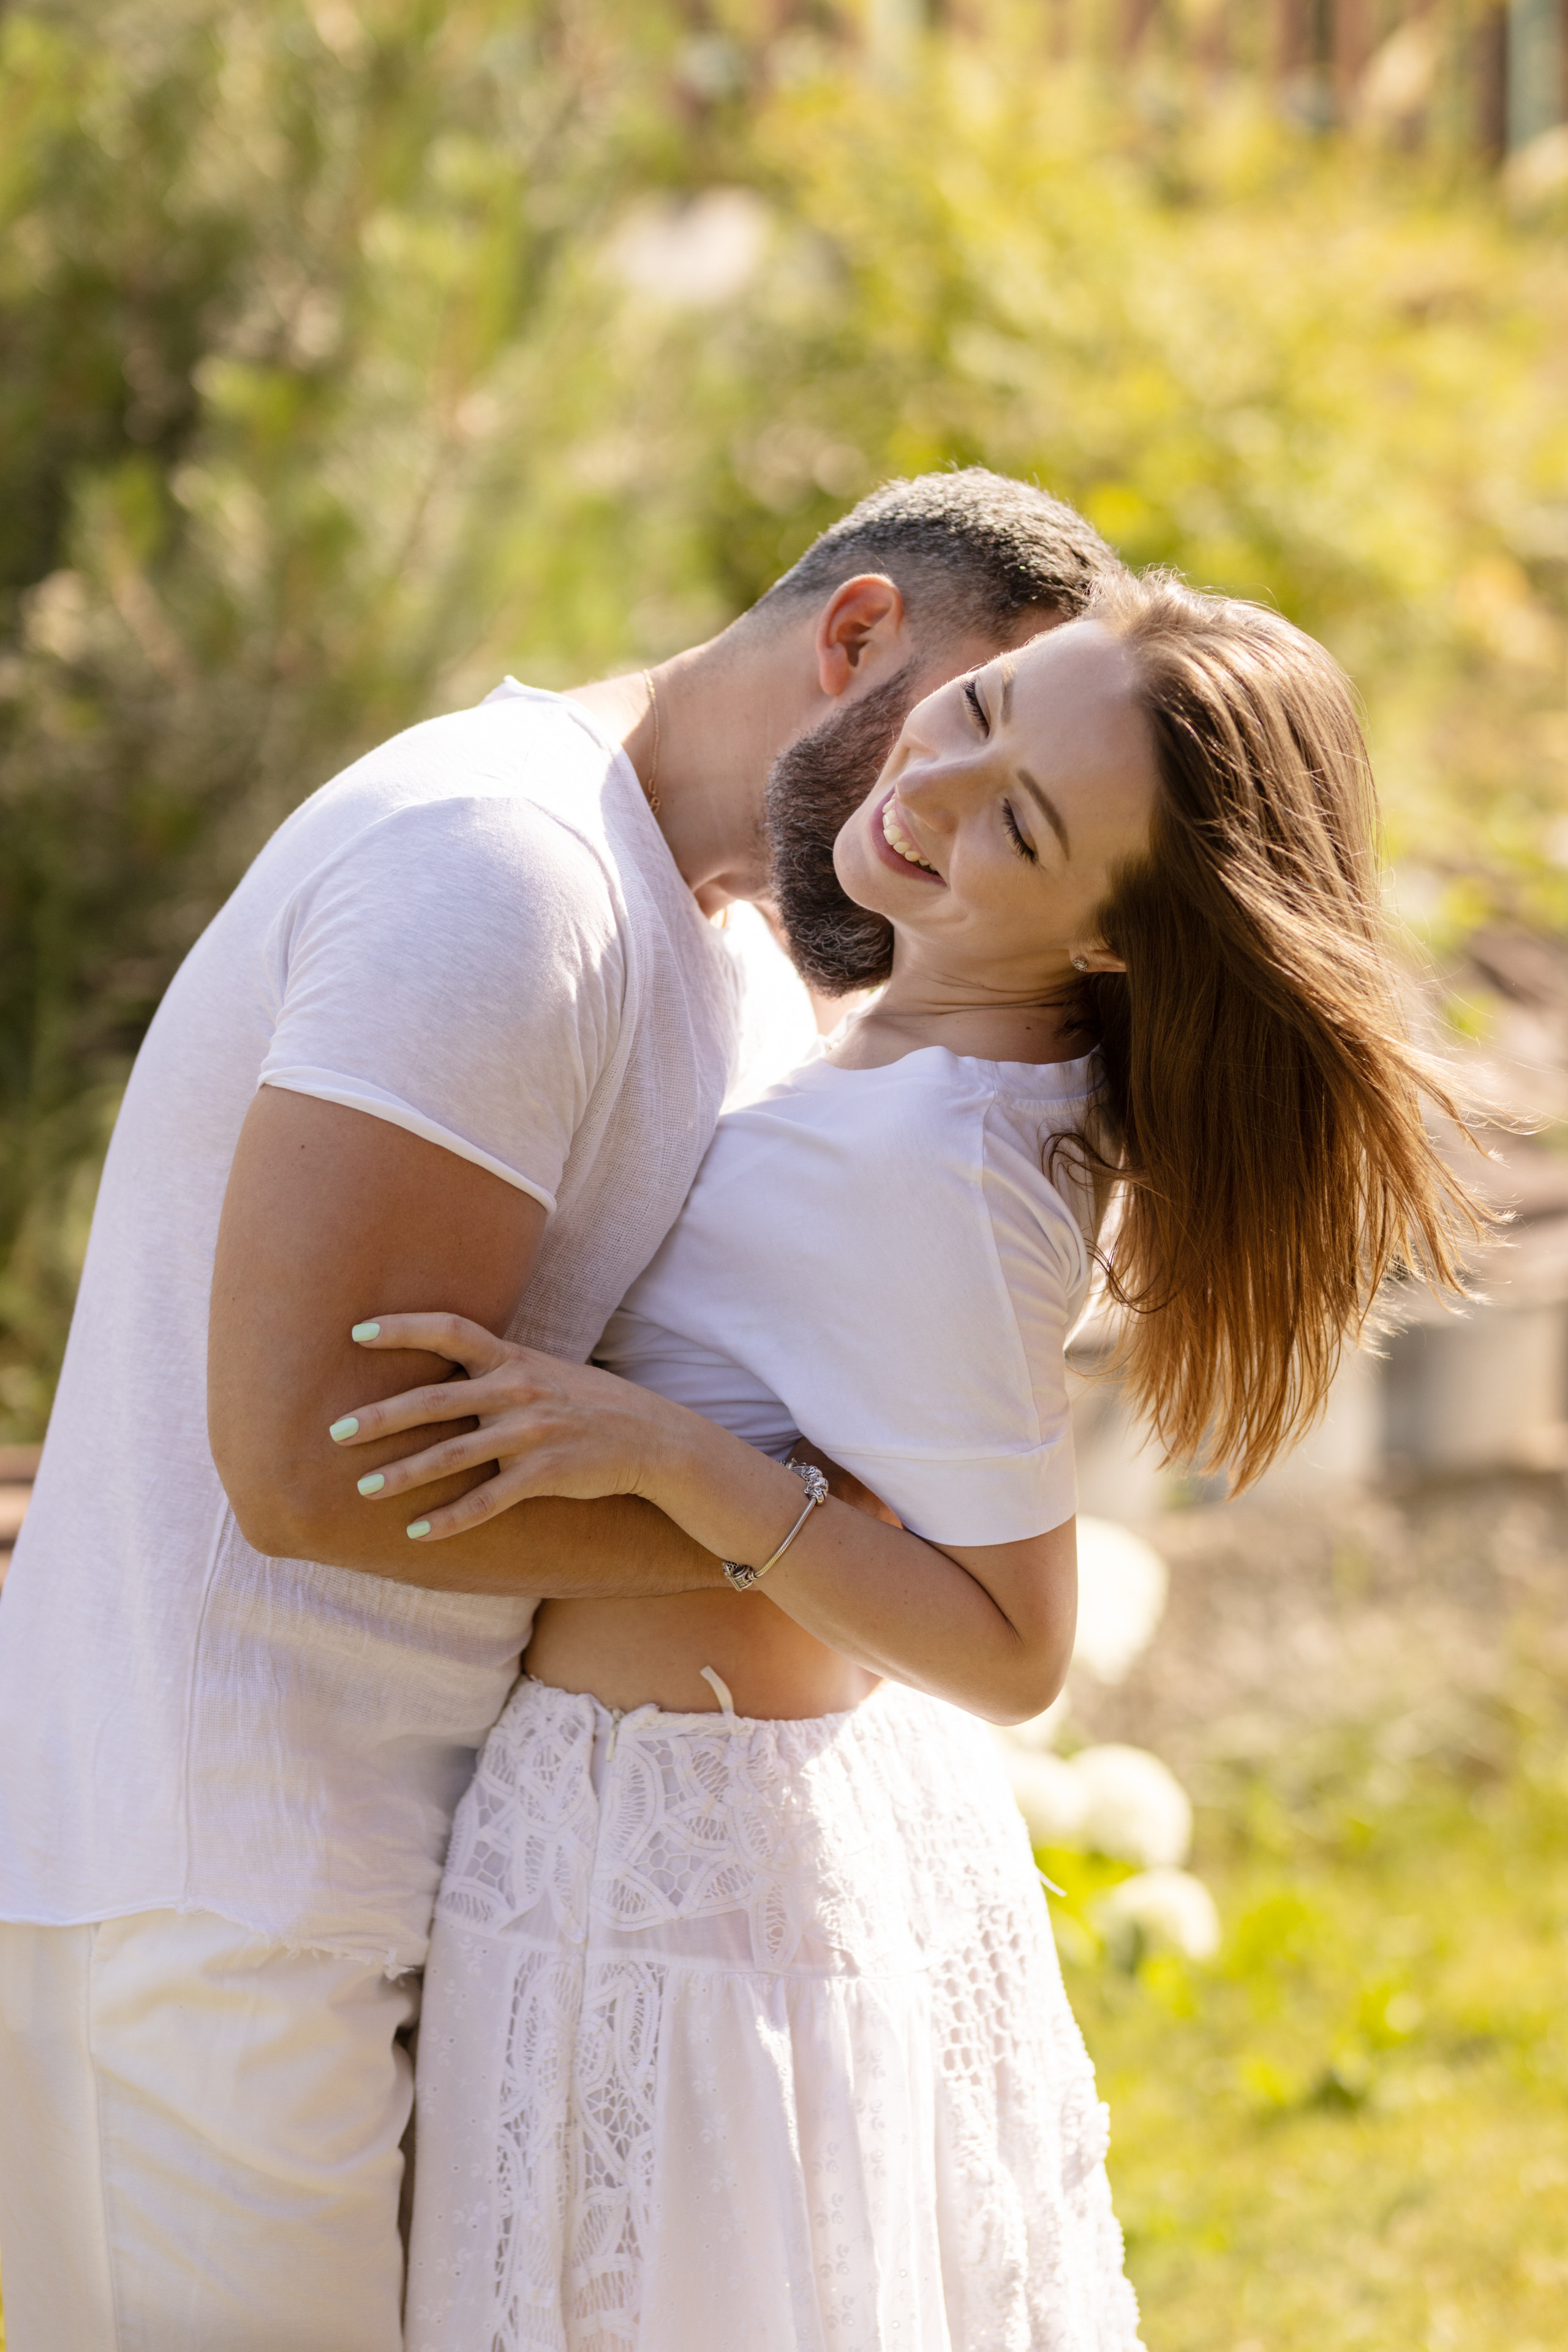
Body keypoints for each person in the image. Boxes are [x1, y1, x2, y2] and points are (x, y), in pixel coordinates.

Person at [0, 471, 1123, 2352]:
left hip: (409, 1878)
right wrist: (812, 1539)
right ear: (857, 635)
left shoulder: (730, 945)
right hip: (212, 1888)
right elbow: (304, 1470)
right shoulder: (501, 874)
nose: (950, 819)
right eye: (967, 722)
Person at [325, 574, 1483, 2350]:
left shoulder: (952, 1162)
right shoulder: (900, 1056)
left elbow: (1015, 1648)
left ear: (1115, 943)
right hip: (664, 1846)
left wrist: (671, 1456)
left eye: (1021, 823)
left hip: (692, 1884)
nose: (931, 787)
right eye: (985, 708)